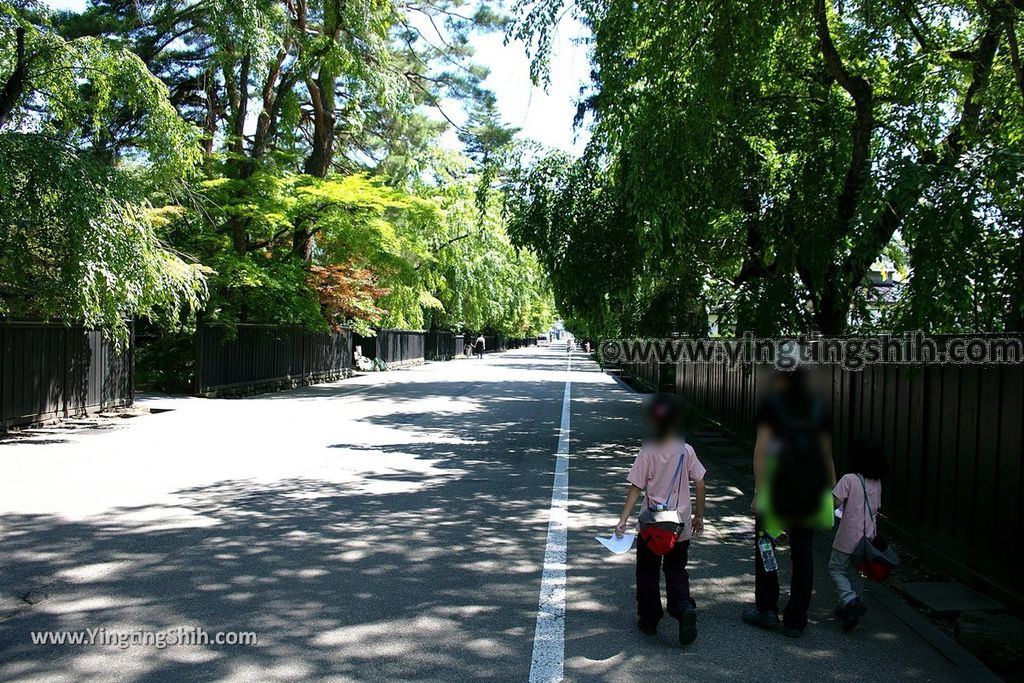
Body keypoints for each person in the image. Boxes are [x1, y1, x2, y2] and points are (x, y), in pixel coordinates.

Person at [743, 366, 835, 638]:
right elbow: (825, 452)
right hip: (809, 487)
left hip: (778, 486)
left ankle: (768, 609)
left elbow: (762, 450)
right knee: (803, 553)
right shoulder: (817, 408)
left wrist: (759, 491)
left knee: (766, 544)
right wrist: (831, 487)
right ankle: (796, 618)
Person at [614, 394, 707, 646]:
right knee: (676, 569)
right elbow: (700, 482)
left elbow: (635, 487)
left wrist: (622, 520)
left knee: (647, 572)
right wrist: (699, 515)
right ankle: (681, 607)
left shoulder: (648, 451)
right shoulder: (686, 450)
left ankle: (650, 619)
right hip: (680, 526)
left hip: (652, 527)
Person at [830, 434, 887, 632]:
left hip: (848, 535)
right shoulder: (877, 483)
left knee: (836, 568)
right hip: (867, 537)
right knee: (855, 572)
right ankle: (853, 604)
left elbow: (834, 503)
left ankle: (850, 601)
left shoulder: (849, 480)